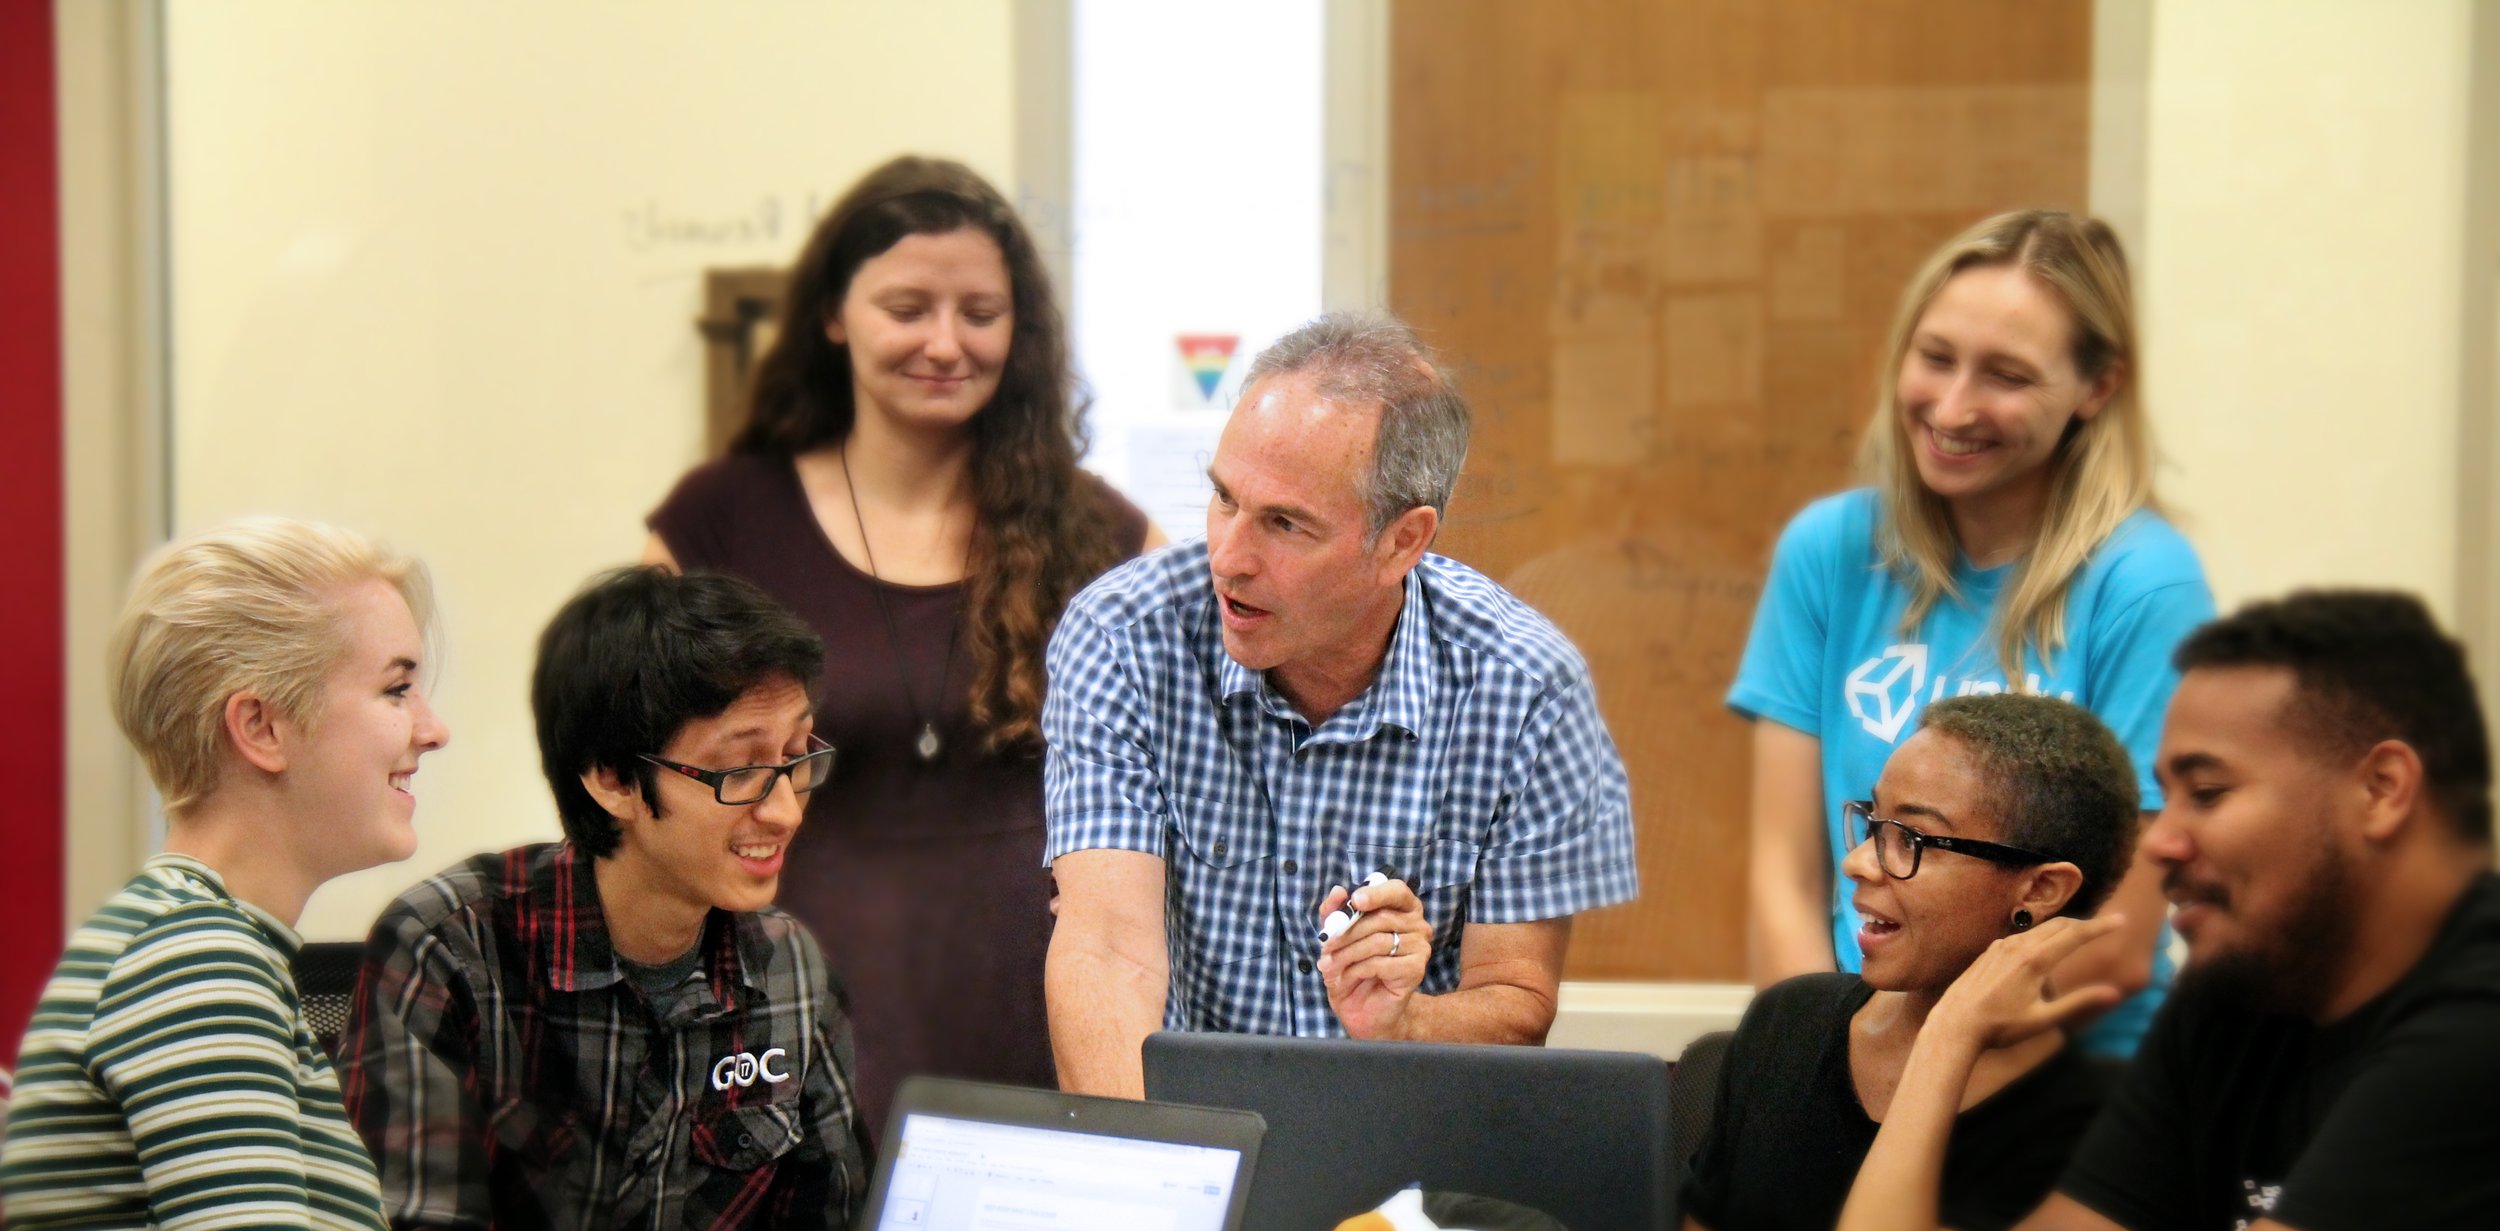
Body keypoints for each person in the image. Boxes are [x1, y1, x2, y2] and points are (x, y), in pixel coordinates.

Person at [0, 520, 491, 1231]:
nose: (432, 725)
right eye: (396, 686)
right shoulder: (193, 959)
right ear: (260, 726)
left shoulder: (203, 945)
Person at [1978, 592, 2498, 1231]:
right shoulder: (2241, 985)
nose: (2160, 842)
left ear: (2382, 788)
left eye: (2204, 792)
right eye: (2160, 795)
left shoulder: (2479, 1027)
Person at [644, 156, 1155, 1144]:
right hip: (785, 1027)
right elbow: (648, 806)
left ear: (1022, 330)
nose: (945, 342)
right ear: (833, 316)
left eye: (980, 311)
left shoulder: (1105, 538)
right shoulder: (717, 525)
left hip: (1044, 1031)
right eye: (907, 307)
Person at [1044, 312, 1639, 1099]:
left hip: (1412, 1158)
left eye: (1284, 524)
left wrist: (1406, 1022)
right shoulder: (1122, 634)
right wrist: (1157, 1185)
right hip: (1189, 1132)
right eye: (1224, 498)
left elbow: (1517, 1002)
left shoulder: (1527, 687)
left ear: (1403, 541)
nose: (1228, 557)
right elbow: (1107, 953)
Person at [339, 567, 865, 1231]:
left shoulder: (787, 967)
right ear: (613, 777)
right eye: (742, 770)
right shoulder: (452, 944)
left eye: (796, 756)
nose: (784, 807)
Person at [1730, 208, 2213, 1057]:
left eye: (2008, 375)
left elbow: (2120, 935)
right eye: (1936, 358)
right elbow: (1783, 872)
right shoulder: (1830, 551)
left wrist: (1916, 1079)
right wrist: (1818, 1074)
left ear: (2097, 388)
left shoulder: (2145, 585)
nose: (1953, 406)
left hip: (2063, 1080)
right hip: (1858, 1055)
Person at [1680, 693, 2137, 1231]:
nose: (1858, 863)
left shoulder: (2090, 1121)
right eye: (1872, 824)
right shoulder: (1789, 1020)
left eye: (1912, 839)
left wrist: (1948, 1037)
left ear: (2040, 889)